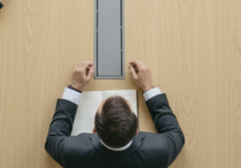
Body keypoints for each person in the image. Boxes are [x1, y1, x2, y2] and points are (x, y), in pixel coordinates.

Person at [45, 60, 185, 167]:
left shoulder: (73, 152)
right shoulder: (161, 151)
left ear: (94, 130)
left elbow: (53, 141)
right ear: (136, 131)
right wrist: (148, 88)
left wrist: (74, 88)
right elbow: (175, 133)